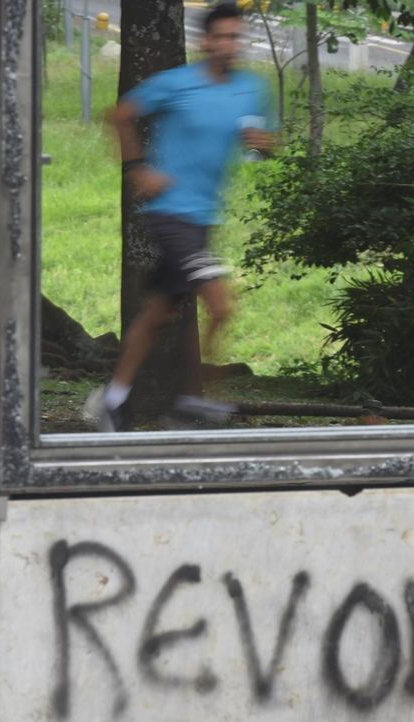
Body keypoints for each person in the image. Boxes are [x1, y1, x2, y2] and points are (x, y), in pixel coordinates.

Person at [84, 2, 275, 431]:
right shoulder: (177, 83)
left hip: (203, 217)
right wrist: (138, 169)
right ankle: (192, 400)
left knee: (157, 313)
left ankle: (111, 400)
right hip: (171, 213)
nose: (229, 45)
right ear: (205, 41)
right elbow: (118, 116)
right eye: (221, 37)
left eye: (235, 37)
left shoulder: (251, 90)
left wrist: (262, 146)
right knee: (221, 305)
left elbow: (257, 149)